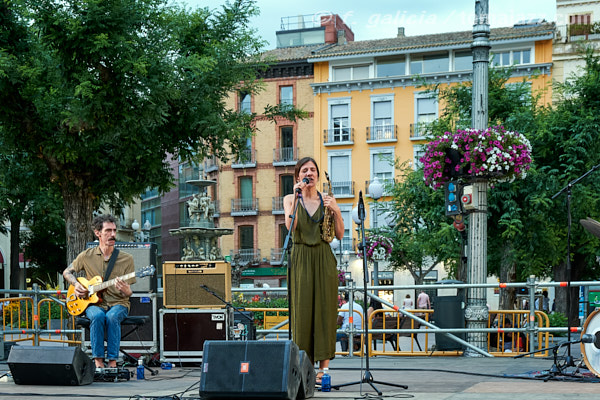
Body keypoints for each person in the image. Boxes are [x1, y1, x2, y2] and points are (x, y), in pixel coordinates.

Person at [283, 157, 344, 383]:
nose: (309, 173)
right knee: (302, 312)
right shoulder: (290, 198)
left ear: (317, 175)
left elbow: (340, 234)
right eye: (304, 170)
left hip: (323, 256)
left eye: (313, 170)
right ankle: (303, 367)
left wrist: (336, 210)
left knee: (325, 311)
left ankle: (323, 371)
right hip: (300, 257)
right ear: (298, 175)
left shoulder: (327, 200)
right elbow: (291, 226)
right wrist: (297, 196)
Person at [63, 214, 135, 369]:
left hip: (119, 303)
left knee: (112, 316)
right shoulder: (86, 256)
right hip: (94, 303)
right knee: (97, 315)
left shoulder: (127, 259)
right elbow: (67, 272)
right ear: (98, 233)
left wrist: (127, 291)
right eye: (108, 230)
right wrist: (76, 284)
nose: (113, 234)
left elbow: (128, 293)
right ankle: (98, 362)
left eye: (114, 230)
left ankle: (113, 362)